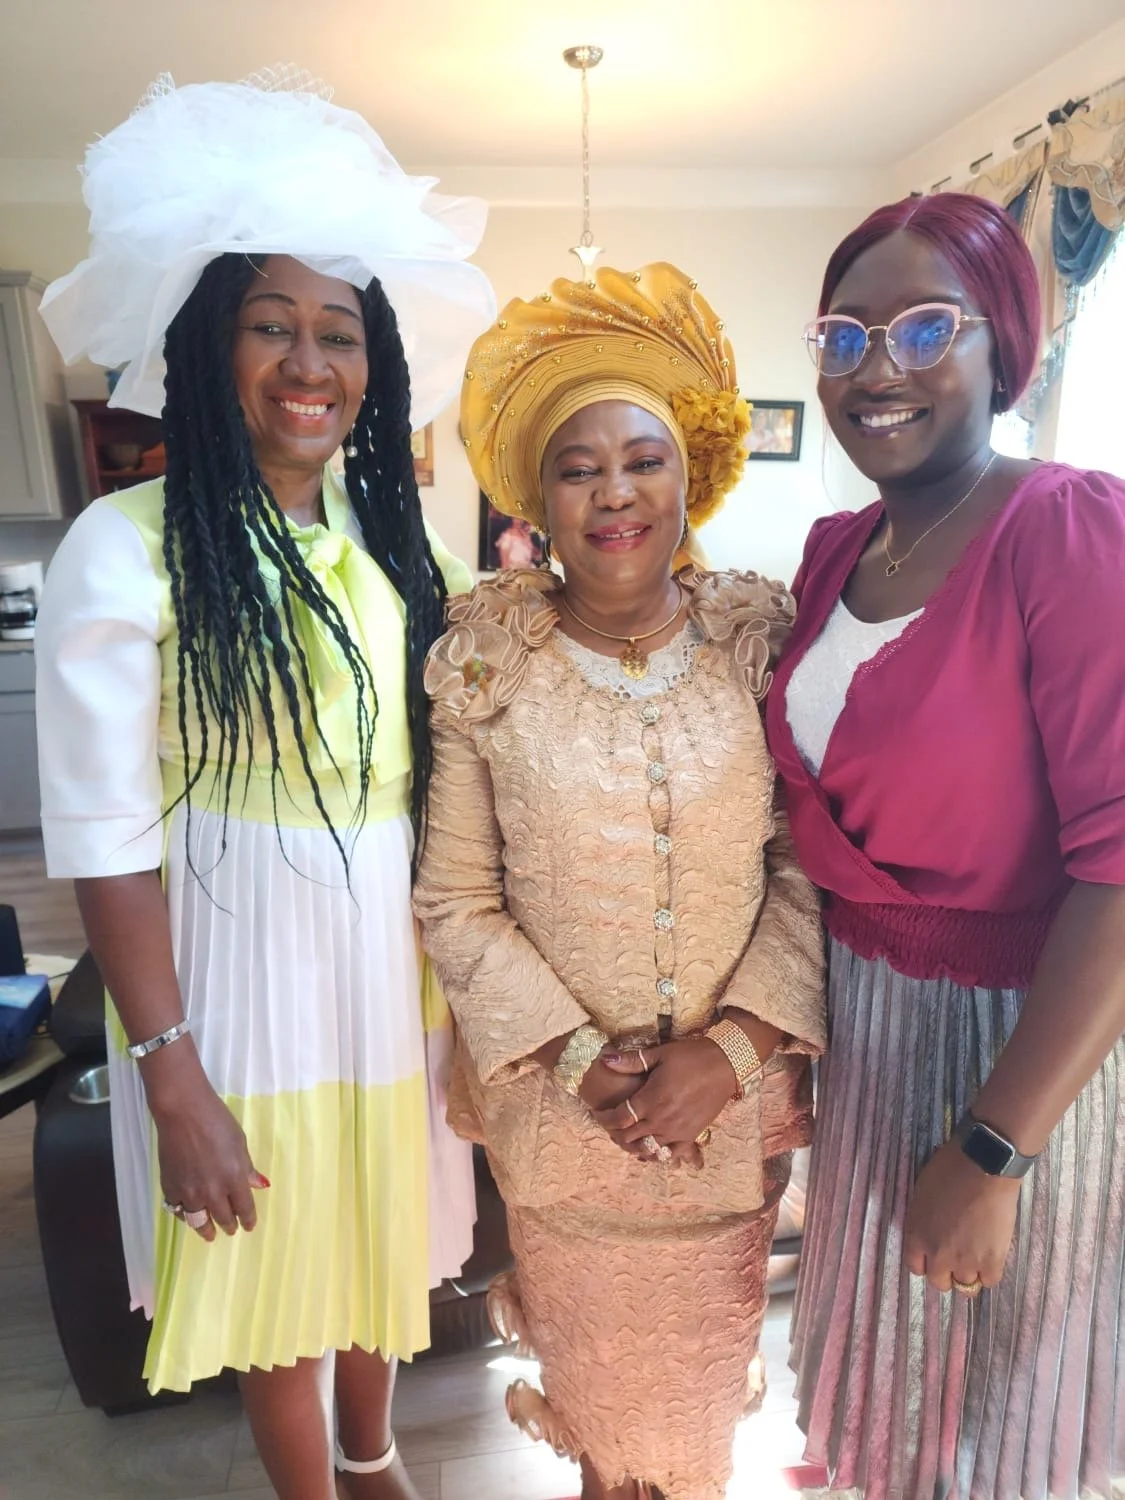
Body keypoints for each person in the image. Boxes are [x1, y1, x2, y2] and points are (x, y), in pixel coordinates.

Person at [34, 71, 494, 1500]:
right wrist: (171, 1079)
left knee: (373, 1240)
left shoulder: (398, 551)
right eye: (272, 326)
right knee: (279, 1278)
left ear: (376, 369)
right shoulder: (129, 547)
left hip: (387, 974)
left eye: (339, 333)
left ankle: (376, 1460)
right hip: (234, 983)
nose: (311, 363)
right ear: (206, 350)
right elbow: (105, 842)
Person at [413, 262, 826, 1500]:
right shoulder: (488, 664)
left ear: (687, 477)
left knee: (697, 1421)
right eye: (577, 465)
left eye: (641, 458)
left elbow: (805, 867)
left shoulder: (762, 644)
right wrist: (581, 1056)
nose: (613, 491)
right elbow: (456, 901)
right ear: (535, 495)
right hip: (559, 1122)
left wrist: (737, 1051)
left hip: (735, 1123)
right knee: (605, 1433)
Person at [765, 192, 1125, 1500]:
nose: (880, 369)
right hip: (865, 1040)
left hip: (1014, 1052)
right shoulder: (831, 553)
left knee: (995, 1440)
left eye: (925, 328)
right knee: (883, 1405)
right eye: (845, 336)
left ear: (1003, 348)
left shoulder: (1071, 532)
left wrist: (992, 1152)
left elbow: (1121, 868)